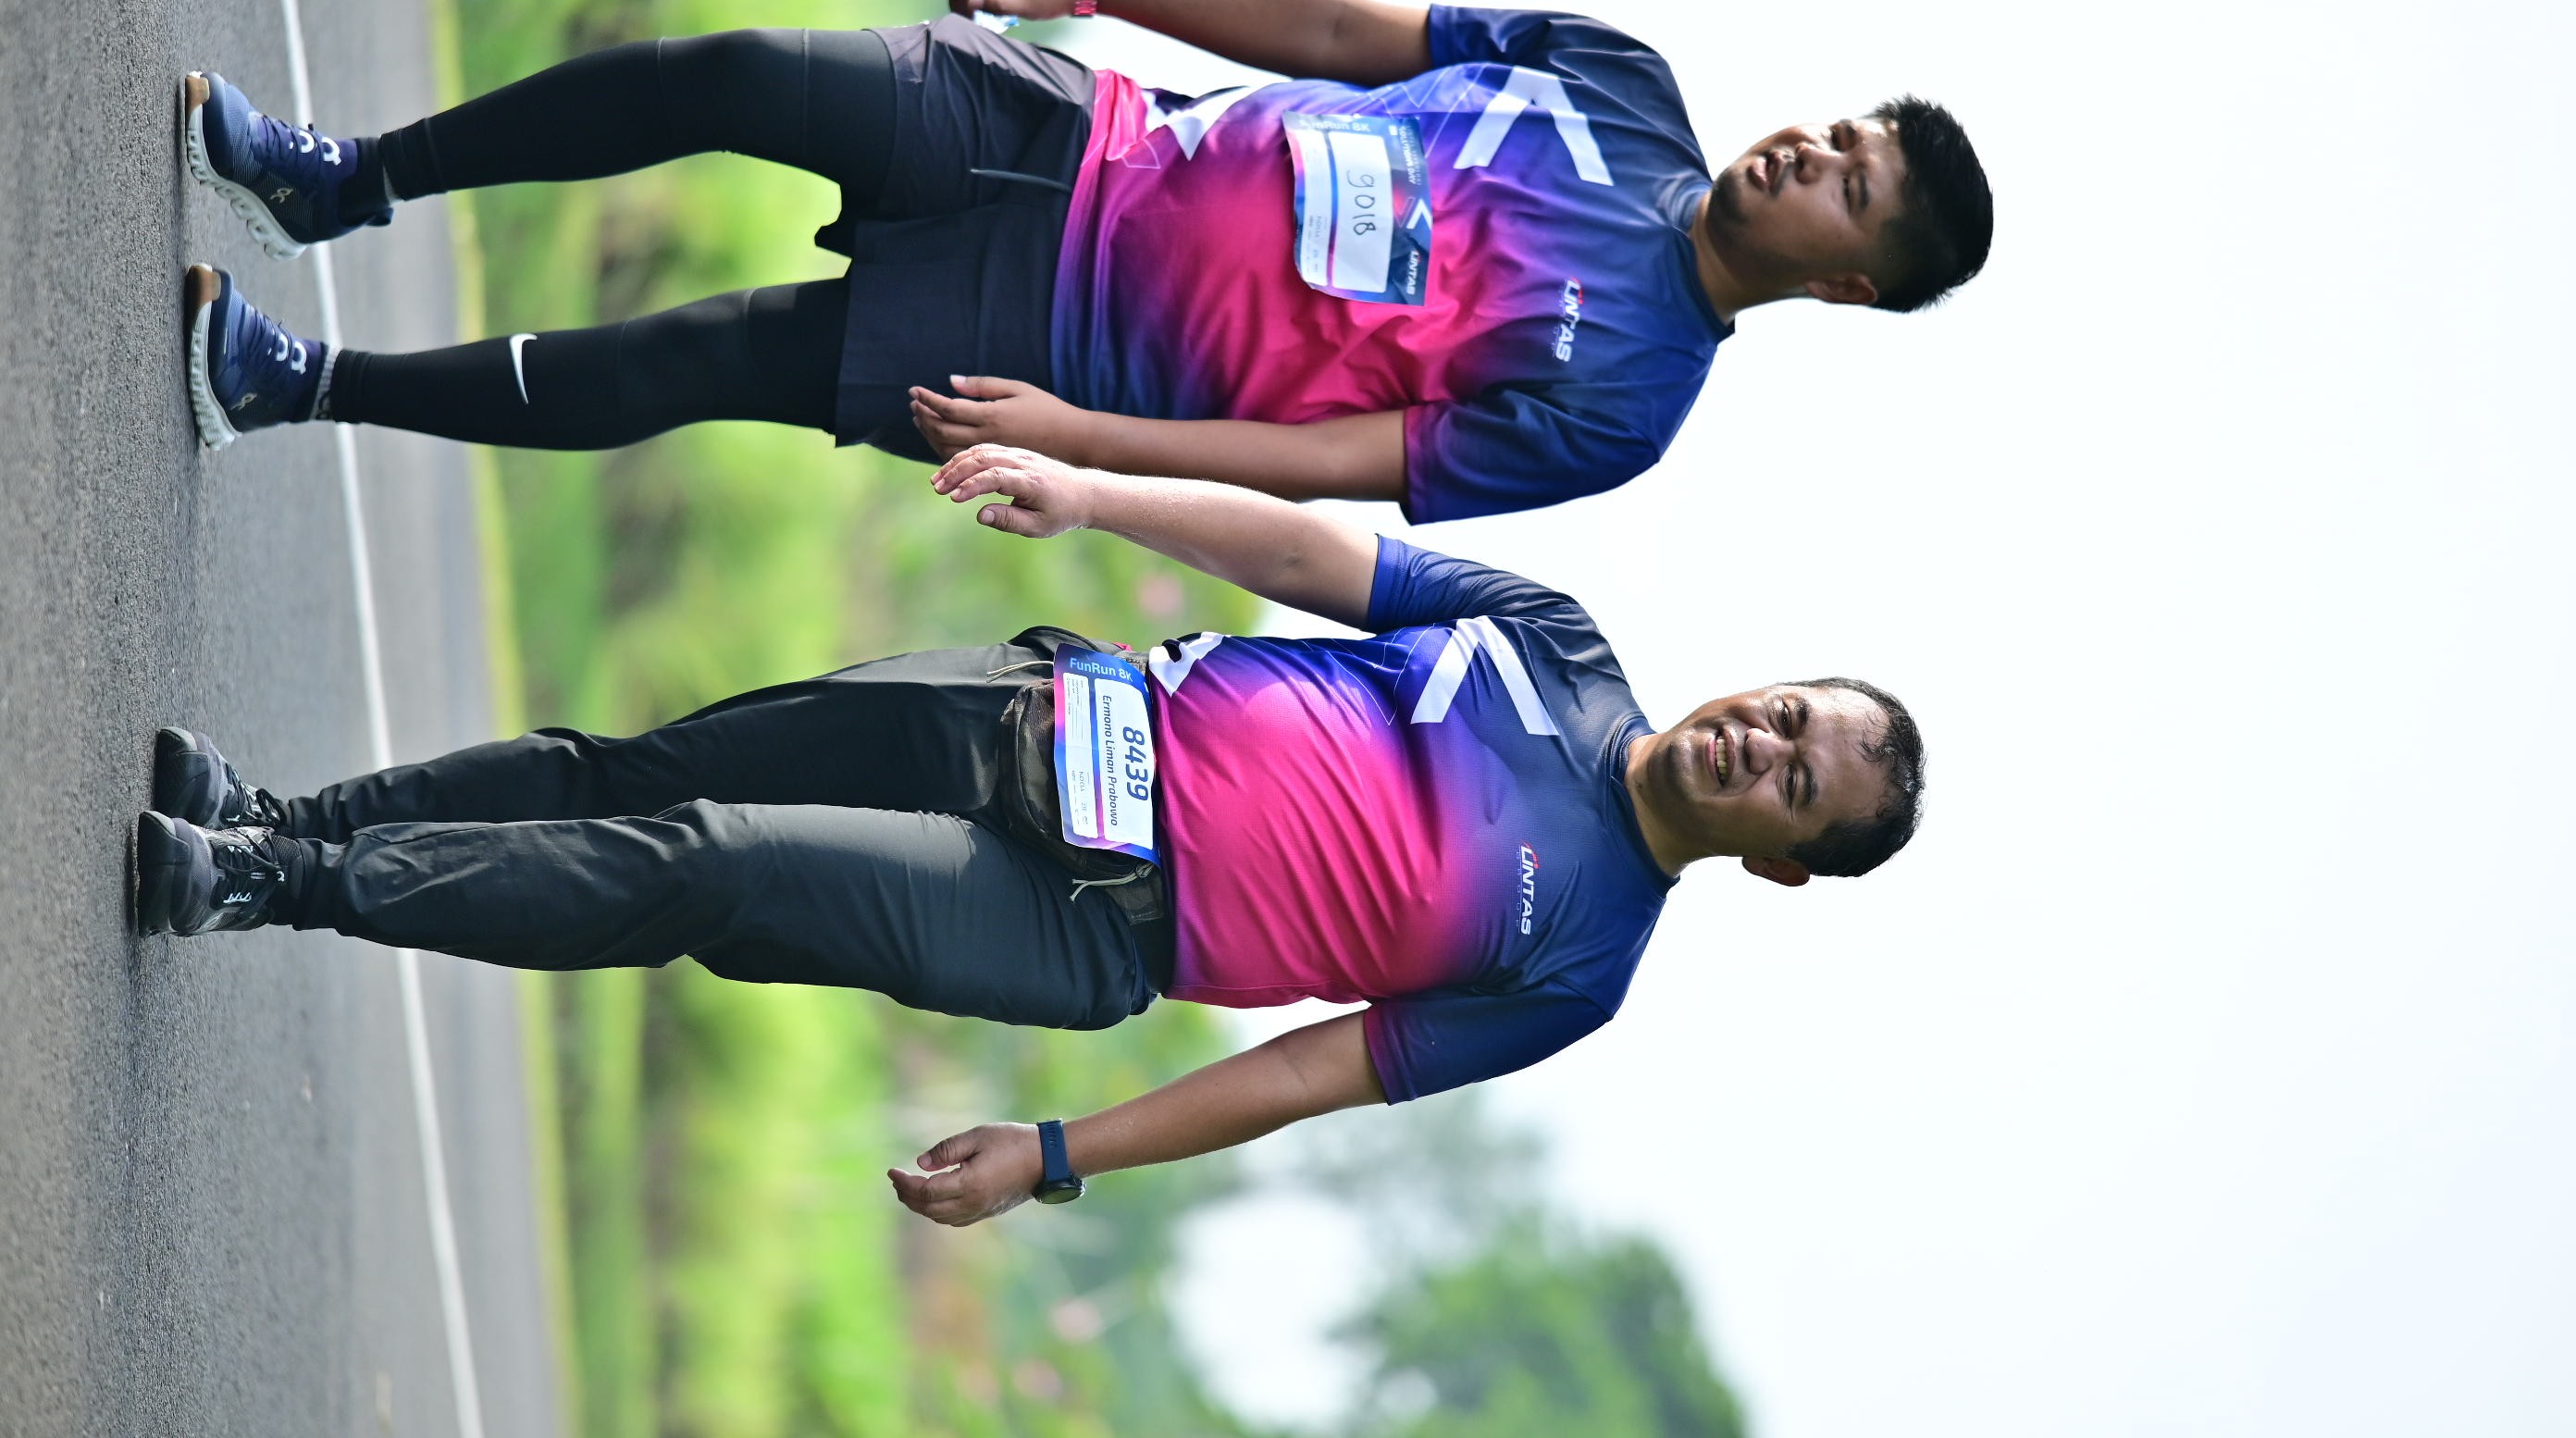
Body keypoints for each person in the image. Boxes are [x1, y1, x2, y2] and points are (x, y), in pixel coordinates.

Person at [130, 445, 1926, 1225]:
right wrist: (1092, 488)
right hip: (1050, 709)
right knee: (640, 766)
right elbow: (1310, 554)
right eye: (1791, 714)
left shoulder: (1581, 963)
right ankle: (285, 817)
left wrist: (1058, 1154)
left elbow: (1311, 1073)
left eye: (1798, 783)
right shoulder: (1557, 643)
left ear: (1784, 861)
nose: (1761, 744)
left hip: (1083, 924)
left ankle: (276, 885)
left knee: (710, 861)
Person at [176, 0, 1992, 519]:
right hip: (1072, 134)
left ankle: (297, 384)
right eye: (1836, 131)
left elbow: (1334, 464)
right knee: (727, 72)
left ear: (1848, 281)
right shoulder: (1620, 86)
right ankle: (344, 176)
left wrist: (1085, 443)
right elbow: (1346, 34)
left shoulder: (1628, 403)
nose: (1803, 153)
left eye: (1846, 185)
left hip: (1060, 348)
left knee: (692, 358)